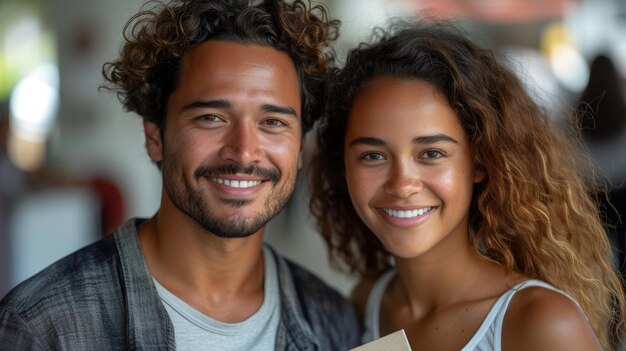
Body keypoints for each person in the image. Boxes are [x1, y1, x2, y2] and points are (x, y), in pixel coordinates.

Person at [0, 0, 361, 350]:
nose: (244, 151)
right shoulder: (43, 328)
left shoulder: (335, 325)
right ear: (155, 137)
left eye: (272, 122)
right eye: (211, 118)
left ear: (299, 150)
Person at [310, 20, 626, 351]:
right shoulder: (367, 303)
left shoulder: (540, 322)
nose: (402, 184)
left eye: (431, 153)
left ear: (479, 162)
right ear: (341, 164)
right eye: (373, 156)